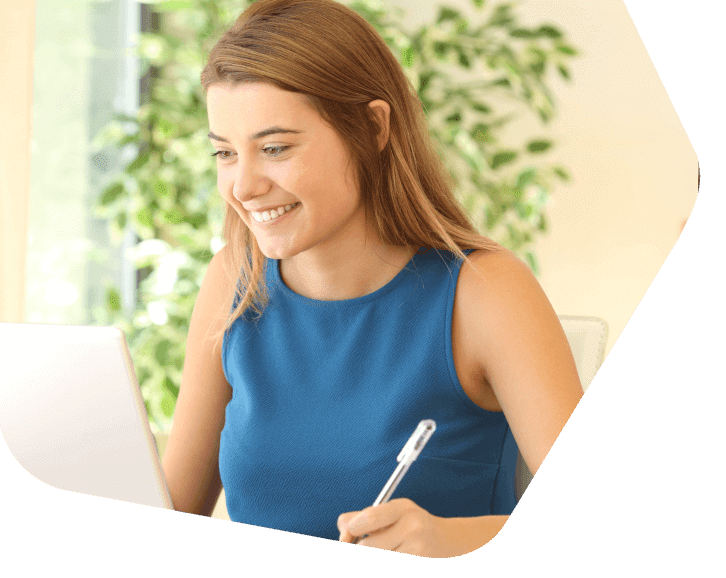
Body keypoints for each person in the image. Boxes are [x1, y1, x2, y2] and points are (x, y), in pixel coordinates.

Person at [161, 0, 583, 557]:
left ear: (373, 126)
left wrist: (451, 538)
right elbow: (170, 511)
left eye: (275, 148)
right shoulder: (234, 282)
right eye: (224, 153)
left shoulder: (484, 292)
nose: (243, 185)